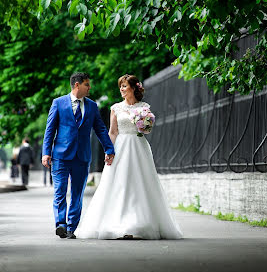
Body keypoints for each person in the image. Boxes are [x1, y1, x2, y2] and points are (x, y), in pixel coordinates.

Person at [76, 74, 183, 240]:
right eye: (120, 86)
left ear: (133, 88)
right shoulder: (116, 108)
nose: (121, 89)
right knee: (120, 183)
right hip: (121, 147)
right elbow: (112, 132)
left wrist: (144, 125)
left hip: (139, 148)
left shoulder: (144, 107)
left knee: (141, 183)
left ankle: (141, 223)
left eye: (124, 86)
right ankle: (118, 223)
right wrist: (108, 151)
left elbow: (147, 129)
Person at [42, 72, 115, 240]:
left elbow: (101, 129)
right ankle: (61, 224)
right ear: (77, 85)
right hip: (60, 156)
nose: (89, 88)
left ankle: (71, 227)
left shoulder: (92, 106)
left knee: (77, 193)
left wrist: (109, 149)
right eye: (87, 85)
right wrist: (46, 152)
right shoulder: (58, 103)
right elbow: (50, 130)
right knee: (60, 191)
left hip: (82, 157)